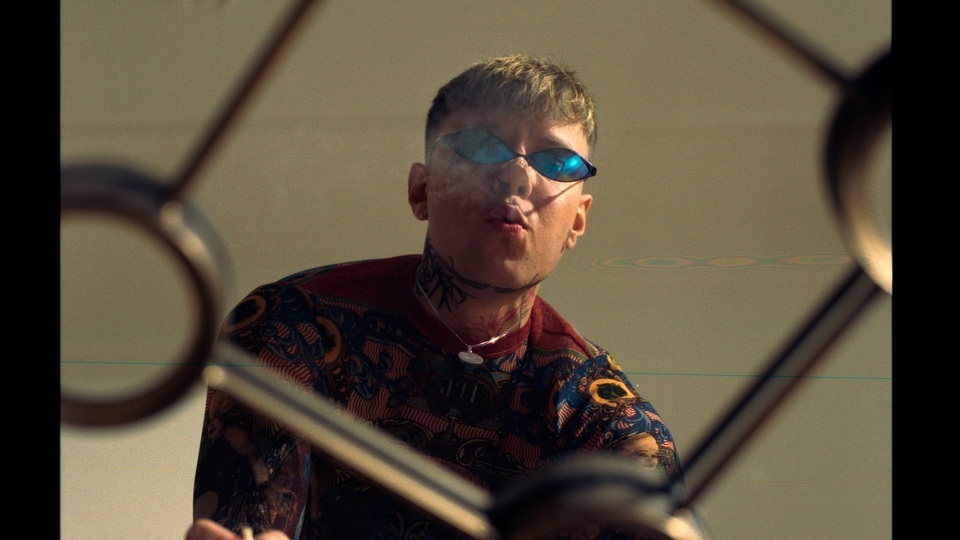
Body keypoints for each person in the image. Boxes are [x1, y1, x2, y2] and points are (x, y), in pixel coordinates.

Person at [186, 53, 688, 540]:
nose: (518, 174)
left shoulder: (603, 419)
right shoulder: (297, 325)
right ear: (420, 190)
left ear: (577, 220)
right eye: (482, 146)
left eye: (556, 161)